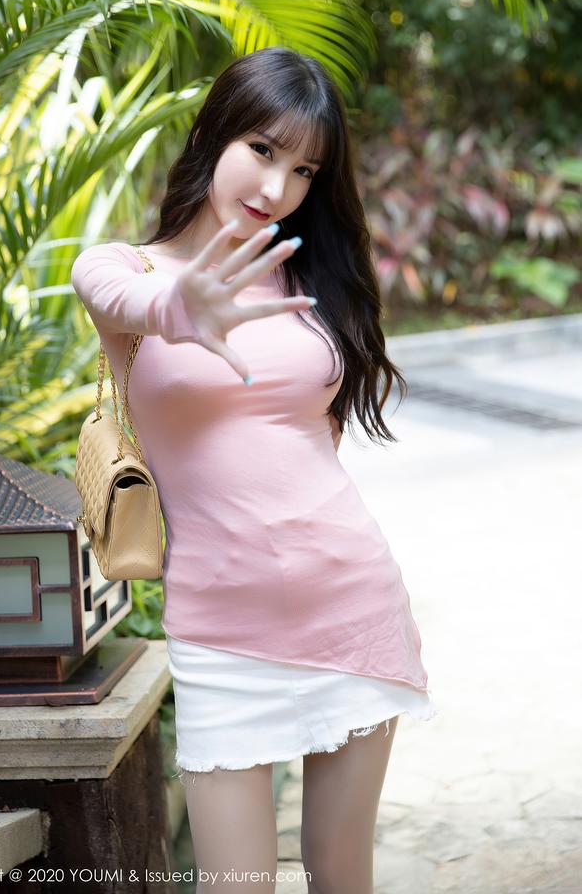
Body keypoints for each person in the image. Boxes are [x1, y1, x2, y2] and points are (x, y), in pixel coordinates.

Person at [70, 47, 437, 894]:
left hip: (351, 608)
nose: (277, 187)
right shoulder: (130, 270)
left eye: (304, 169)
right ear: (215, 134)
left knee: (341, 875)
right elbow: (118, 297)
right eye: (263, 150)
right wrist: (178, 307)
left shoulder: (313, 281)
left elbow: (308, 442)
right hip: (222, 636)